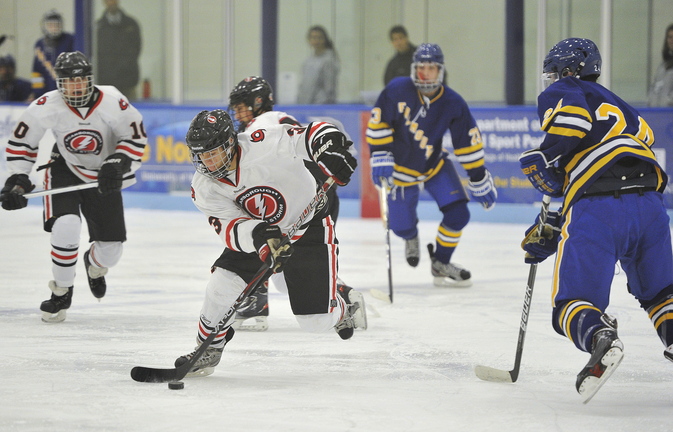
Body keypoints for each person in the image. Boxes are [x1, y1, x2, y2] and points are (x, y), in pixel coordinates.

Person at [519, 38, 673, 403]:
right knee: (662, 293)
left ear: (570, 71)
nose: (552, 80)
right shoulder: (625, 109)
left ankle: (600, 337)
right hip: (651, 206)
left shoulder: (566, 89)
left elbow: (572, 125)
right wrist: (551, 223)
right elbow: (611, 158)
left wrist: (545, 154)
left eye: (555, 72)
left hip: (598, 208)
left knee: (571, 303)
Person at [173, 109, 366, 376]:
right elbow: (230, 227)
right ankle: (209, 348)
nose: (207, 161)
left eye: (212, 152)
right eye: (200, 154)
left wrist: (329, 148)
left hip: (308, 228)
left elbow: (310, 135)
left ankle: (342, 307)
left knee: (316, 322)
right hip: (260, 234)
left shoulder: (263, 142)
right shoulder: (204, 186)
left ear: (231, 143)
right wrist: (262, 238)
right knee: (221, 286)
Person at [0, 51, 147, 323]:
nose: (75, 88)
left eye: (80, 81)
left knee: (111, 251)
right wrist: (18, 179)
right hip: (64, 168)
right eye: (68, 82)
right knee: (66, 226)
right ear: (59, 84)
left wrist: (118, 162)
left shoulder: (113, 101)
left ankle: (94, 264)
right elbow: (23, 142)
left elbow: (134, 137)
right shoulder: (47, 105)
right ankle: (61, 292)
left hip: (102, 175)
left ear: (90, 80)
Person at [366, 43, 497, 288]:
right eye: (422, 68)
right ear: (414, 69)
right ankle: (410, 236)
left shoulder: (452, 102)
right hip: (400, 171)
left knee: (459, 214)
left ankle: (441, 263)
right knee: (401, 228)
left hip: (434, 165)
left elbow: (466, 142)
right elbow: (379, 122)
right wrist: (380, 153)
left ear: (441, 71)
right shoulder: (397, 89)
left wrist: (478, 176)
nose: (426, 74)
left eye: (432, 69)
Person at [228, 75, 344, 331]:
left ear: (258, 101)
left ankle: (256, 304)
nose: (237, 113)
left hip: (311, 201)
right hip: (303, 198)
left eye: (241, 105)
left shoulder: (268, 123)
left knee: (270, 244)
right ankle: (344, 295)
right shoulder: (260, 126)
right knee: (284, 270)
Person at [96, 0, 142, 100]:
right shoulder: (98, 27)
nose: (111, 2)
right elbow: (97, 55)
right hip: (105, 85)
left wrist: (125, 67)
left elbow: (137, 49)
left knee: (130, 112)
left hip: (128, 82)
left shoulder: (131, 24)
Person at [31, 10, 75, 98]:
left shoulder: (70, 40)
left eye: (56, 25)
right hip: (46, 93)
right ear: (44, 26)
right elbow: (37, 71)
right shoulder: (40, 44)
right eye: (50, 25)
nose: (54, 28)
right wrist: (38, 93)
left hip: (67, 92)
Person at [297, 25, 339, 104]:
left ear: (324, 40)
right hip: (305, 103)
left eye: (319, 38)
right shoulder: (308, 60)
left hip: (321, 104)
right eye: (313, 38)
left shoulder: (329, 60)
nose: (316, 41)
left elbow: (329, 87)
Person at [648, 23, 673, 107]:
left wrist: (668, 102)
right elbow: (654, 86)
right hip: (658, 113)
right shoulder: (663, 65)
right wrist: (651, 101)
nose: (671, 40)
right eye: (669, 37)